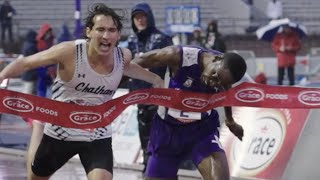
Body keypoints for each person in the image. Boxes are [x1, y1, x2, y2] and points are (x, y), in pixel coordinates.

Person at [0, 3, 163, 180]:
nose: (106, 36)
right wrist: (1, 77)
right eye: (100, 29)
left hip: (97, 134)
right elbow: (25, 63)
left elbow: (129, 68)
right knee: (35, 178)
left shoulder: (123, 56)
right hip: (60, 131)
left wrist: (155, 79)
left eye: (111, 30)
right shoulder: (68, 51)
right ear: (89, 32)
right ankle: (38, 127)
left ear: (118, 35)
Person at [132, 45, 247, 180]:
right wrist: (111, 85)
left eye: (219, 83)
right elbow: (136, 63)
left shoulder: (225, 74)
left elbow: (227, 91)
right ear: (216, 59)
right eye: (215, 75)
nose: (213, 82)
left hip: (201, 130)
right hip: (167, 130)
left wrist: (230, 121)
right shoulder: (178, 55)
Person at [126, 2, 173, 171]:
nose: (139, 20)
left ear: (149, 17)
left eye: (142, 16)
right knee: (144, 134)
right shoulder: (131, 40)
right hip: (140, 96)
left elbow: (174, 67)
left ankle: (159, 168)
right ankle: (148, 169)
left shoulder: (162, 39)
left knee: (160, 137)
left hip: (160, 96)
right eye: (136, 17)